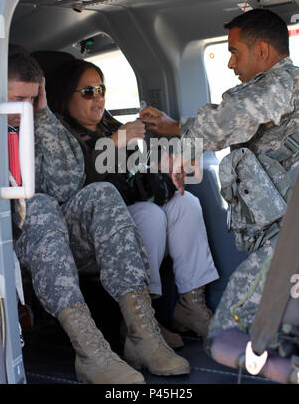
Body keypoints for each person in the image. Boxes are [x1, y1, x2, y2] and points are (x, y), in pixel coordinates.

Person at [8, 46, 190, 384]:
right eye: (15, 99)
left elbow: (66, 186)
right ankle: (90, 352)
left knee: (100, 194)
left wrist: (43, 114)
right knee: (39, 205)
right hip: (13, 238)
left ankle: (141, 335)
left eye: (29, 100)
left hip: (53, 242)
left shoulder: (40, 122)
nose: (22, 109)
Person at [139, 8, 299, 337]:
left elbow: (232, 117)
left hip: (287, 240)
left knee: (227, 334)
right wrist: (177, 129)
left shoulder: (274, 84)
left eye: (234, 52)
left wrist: (181, 154)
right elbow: (250, 128)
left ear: (262, 51)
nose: (230, 64)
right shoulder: (288, 88)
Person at [46, 58, 219, 345]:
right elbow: (73, 187)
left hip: (130, 214)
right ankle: (140, 320)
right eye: (88, 92)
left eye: (101, 89)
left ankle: (191, 305)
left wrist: (158, 171)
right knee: (149, 215)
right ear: (66, 97)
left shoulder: (108, 125)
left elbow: (131, 178)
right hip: (86, 234)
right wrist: (113, 144)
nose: (98, 97)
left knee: (185, 203)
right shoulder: (60, 135)